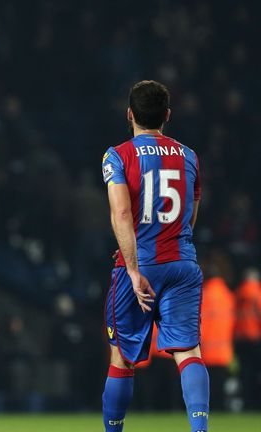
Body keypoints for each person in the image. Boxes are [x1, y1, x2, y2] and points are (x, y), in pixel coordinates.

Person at [101, 80, 208, 432]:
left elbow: (121, 215)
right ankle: (200, 428)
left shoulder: (117, 156)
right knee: (188, 352)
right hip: (181, 264)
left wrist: (132, 270)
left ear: (129, 114)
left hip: (140, 265)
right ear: (167, 116)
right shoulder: (190, 156)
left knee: (121, 357)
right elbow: (190, 214)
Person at [200, 271, 235, 411]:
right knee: (220, 386)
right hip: (223, 351)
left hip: (207, 351)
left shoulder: (204, 295)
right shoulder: (228, 295)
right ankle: (222, 409)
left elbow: (200, 323)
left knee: (206, 387)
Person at [234, 268, 261, 409]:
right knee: (256, 374)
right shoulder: (257, 293)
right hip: (255, 338)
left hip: (240, 339)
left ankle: (246, 403)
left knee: (245, 374)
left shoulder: (238, 293)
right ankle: (256, 404)